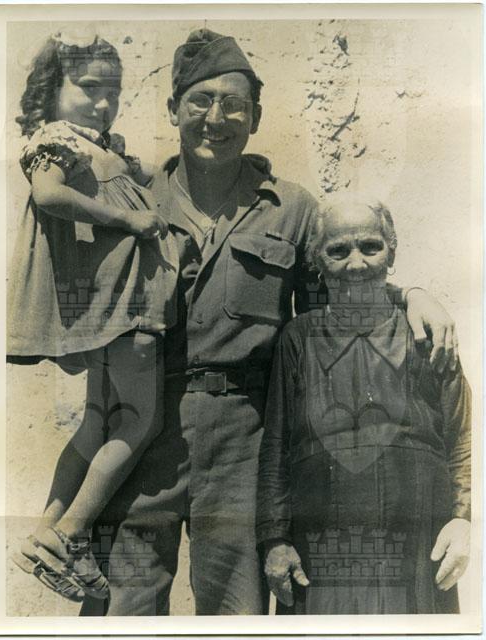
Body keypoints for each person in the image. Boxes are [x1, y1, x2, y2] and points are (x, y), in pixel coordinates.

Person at [79, 29, 460, 616]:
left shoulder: (292, 208)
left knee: (237, 611)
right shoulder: (133, 199)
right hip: (141, 428)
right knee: (123, 606)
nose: (216, 119)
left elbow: (340, 290)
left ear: (255, 118)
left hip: (243, 438)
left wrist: (410, 294)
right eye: (200, 101)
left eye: (234, 105)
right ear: (173, 108)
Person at [8, 33, 178, 601]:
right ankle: (73, 534)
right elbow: (48, 195)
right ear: (51, 89)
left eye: (114, 91)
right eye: (88, 88)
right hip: (125, 308)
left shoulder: (101, 147)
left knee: (97, 421)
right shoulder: (56, 141)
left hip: (110, 308)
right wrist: (126, 220)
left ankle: (43, 533)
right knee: (141, 422)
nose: (104, 103)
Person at [257, 195, 471, 614]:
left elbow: (463, 435)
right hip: (320, 545)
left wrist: (463, 520)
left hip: (418, 542)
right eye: (338, 251)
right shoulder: (298, 338)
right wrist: (275, 540)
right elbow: (276, 447)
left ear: (392, 252)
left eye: (370, 247)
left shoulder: (428, 332)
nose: (356, 264)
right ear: (318, 262)